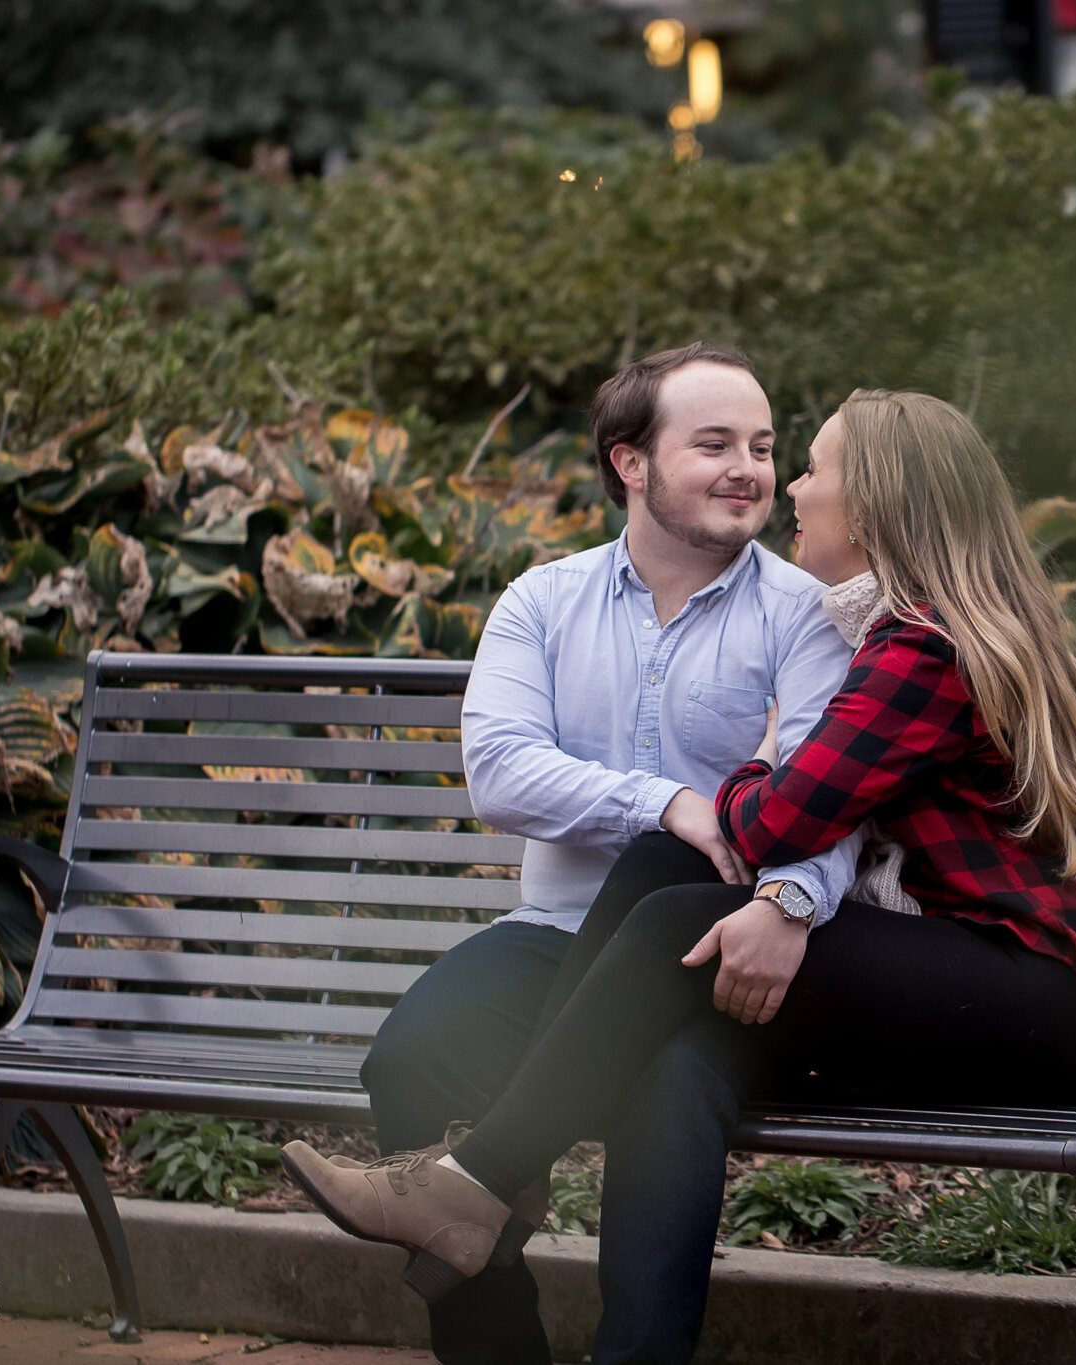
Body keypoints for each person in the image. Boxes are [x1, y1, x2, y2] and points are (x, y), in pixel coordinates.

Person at [284, 388, 1076, 1364]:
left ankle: (478, 1179)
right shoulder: (911, 633)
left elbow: (777, 818)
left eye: (812, 467)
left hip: (1031, 998)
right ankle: (566, 1272)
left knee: (672, 917)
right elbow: (776, 824)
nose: (791, 484)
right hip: (965, 975)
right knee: (675, 1046)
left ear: (869, 507)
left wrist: (766, 757)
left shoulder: (923, 648)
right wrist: (766, 816)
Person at [301, 342, 861, 1365]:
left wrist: (789, 898)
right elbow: (501, 777)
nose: (748, 469)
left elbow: (836, 801)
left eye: (763, 447)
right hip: (557, 938)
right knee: (411, 1055)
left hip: (706, 959)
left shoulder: (804, 618)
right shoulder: (540, 604)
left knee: (663, 1093)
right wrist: (672, 804)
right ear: (629, 463)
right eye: (713, 444)